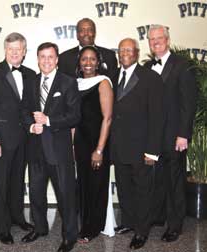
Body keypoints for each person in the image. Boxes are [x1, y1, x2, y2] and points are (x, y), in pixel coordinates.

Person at [21, 42, 80, 252]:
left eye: (50, 57)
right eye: (42, 57)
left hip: (59, 151)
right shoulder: (31, 82)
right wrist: (30, 126)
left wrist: (48, 121)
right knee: (36, 193)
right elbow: (25, 110)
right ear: (37, 59)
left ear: (56, 60)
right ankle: (40, 227)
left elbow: (75, 116)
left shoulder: (68, 83)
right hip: (36, 149)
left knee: (66, 196)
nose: (46, 61)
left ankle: (69, 236)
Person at [0, 32, 35, 245]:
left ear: (24, 52)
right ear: (5, 51)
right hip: (1, 140)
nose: (14, 53)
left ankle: (17, 218)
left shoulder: (30, 74)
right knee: (0, 184)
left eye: (18, 49)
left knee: (17, 182)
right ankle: (3, 227)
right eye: (10, 49)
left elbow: (30, 107)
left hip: (24, 139)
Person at [145, 24, 197, 242]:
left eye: (159, 38)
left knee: (175, 181)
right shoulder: (147, 66)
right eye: (151, 39)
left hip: (174, 136)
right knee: (157, 179)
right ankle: (158, 216)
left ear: (167, 39)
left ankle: (175, 225)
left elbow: (188, 103)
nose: (155, 42)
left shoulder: (182, 65)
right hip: (153, 137)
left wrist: (183, 134)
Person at [111, 38, 164, 250]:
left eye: (128, 49)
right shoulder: (113, 77)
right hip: (119, 146)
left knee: (143, 191)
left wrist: (152, 152)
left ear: (137, 52)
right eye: (121, 49)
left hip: (142, 148)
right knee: (124, 188)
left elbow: (158, 117)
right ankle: (128, 222)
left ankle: (141, 231)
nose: (124, 53)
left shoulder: (150, 78)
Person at [73, 46, 115, 243]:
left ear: (98, 62)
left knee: (96, 186)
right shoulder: (76, 83)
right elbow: (73, 119)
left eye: (92, 59)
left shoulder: (103, 82)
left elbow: (107, 118)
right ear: (79, 63)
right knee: (83, 185)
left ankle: (93, 228)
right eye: (84, 59)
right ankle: (85, 224)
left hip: (97, 143)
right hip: (80, 143)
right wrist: (73, 145)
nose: (88, 63)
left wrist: (99, 150)